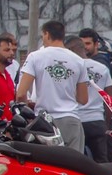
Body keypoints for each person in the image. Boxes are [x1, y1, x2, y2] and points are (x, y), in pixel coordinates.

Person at [16, 20, 88, 152]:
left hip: (44, 124)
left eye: (42, 35)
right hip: (71, 120)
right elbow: (83, 98)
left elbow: (21, 93)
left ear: (47, 34)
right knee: (75, 167)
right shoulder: (78, 61)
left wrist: (27, 111)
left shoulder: (35, 57)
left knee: (47, 168)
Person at [65, 35, 112, 162]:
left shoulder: (70, 69)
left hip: (76, 120)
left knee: (77, 162)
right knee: (101, 161)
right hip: (97, 121)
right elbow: (109, 100)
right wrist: (107, 124)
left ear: (70, 49)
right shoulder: (102, 68)